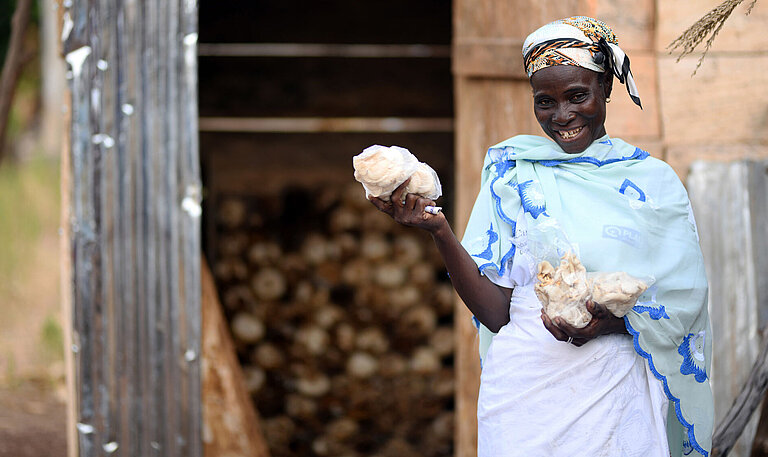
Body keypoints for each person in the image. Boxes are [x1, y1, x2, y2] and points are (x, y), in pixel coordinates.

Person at [369, 16, 713, 457]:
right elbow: (497, 313)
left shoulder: (653, 184)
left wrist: (613, 322)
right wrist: (438, 230)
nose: (562, 115)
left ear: (606, 88)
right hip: (523, 400)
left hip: (615, 390)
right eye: (544, 101)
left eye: (577, 96)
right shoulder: (512, 174)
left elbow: (686, 298)